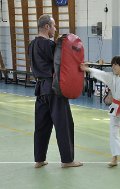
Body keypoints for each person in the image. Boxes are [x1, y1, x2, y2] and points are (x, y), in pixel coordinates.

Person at [28, 14, 82, 168]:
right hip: (54, 89)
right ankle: (67, 160)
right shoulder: (50, 45)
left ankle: (39, 159)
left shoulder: (31, 45)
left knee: (41, 126)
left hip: (40, 89)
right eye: (54, 26)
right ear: (47, 27)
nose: (55, 29)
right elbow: (63, 66)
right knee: (64, 124)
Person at [80, 56, 120, 167]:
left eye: (115, 64)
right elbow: (101, 74)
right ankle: (115, 157)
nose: (112, 66)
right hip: (115, 108)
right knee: (113, 133)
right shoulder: (112, 78)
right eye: (112, 64)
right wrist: (88, 69)